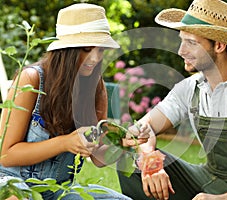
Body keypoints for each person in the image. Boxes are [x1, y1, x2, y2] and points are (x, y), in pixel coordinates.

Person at [117, 0, 227, 199]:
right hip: (209, 178)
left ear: (219, 45)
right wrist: (150, 159)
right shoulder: (191, 87)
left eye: (191, 43)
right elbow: (143, 128)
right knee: (129, 158)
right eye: (182, 40)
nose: (181, 51)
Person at [0, 3, 133, 200]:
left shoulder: (96, 87)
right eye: (87, 49)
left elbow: (96, 157)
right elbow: (6, 154)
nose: (95, 58)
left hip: (59, 190)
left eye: (101, 50)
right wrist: (65, 143)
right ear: (65, 50)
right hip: (12, 183)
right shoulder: (31, 80)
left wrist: (123, 145)